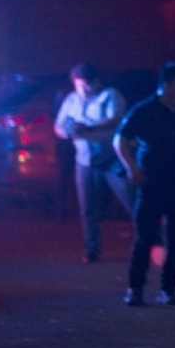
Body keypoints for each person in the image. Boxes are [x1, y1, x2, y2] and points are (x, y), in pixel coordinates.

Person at [114, 62, 175, 306]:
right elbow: (121, 138)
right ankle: (135, 288)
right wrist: (131, 167)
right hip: (152, 182)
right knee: (145, 236)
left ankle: (169, 289)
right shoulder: (146, 110)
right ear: (166, 85)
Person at [54, 63, 133, 263]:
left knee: (131, 199)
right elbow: (58, 127)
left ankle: (153, 238)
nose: (82, 90)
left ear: (96, 82)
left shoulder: (110, 95)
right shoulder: (71, 100)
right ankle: (92, 249)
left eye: (86, 85)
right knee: (87, 208)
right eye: (78, 85)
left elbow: (115, 120)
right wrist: (68, 131)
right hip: (84, 160)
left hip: (111, 158)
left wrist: (87, 129)